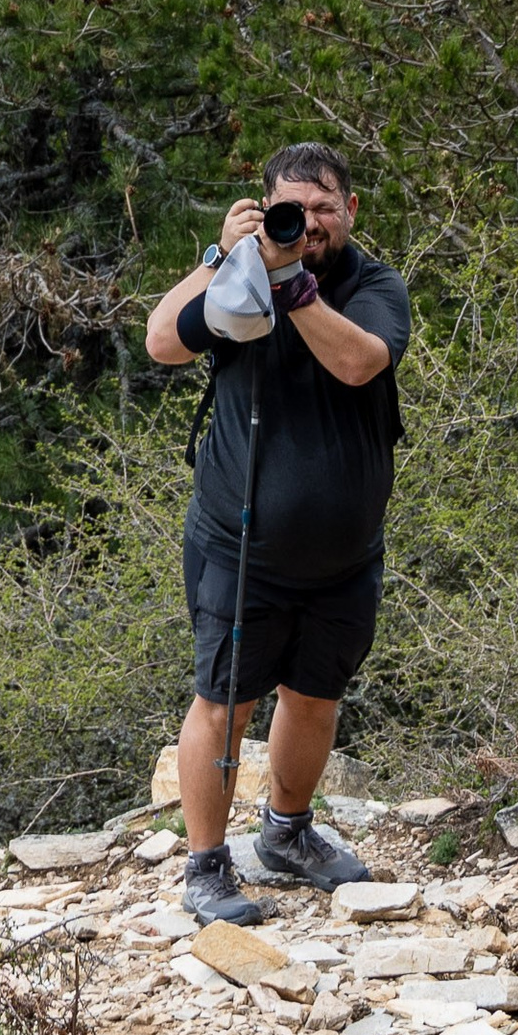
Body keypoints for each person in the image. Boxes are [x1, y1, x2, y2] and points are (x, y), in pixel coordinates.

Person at [144, 140, 410, 925]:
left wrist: (295, 287)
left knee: (316, 697)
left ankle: (288, 833)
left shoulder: (374, 285)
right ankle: (205, 864)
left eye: (326, 209)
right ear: (267, 210)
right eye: (295, 211)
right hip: (240, 545)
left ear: (351, 211)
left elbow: (361, 362)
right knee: (225, 701)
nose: (312, 225)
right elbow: (163, 341)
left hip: (344, 555)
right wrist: (218, 256)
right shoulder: (239, 283)